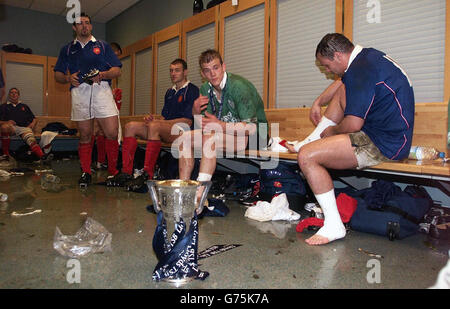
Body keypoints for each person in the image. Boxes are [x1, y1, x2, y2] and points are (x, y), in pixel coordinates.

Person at [285, 33, 415, 245]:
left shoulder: (360, 71)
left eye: (327, 66)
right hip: (387, 135)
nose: (328, 71)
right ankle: (313, 139)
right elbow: (341, 84)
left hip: (385, 144)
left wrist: (332, 132)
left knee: (307, 156)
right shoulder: (366, 58)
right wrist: (319, 101)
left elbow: (353, 125)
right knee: (343, 89)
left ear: (338, 56)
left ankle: (334, 225)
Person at [177, 49, 267, 190]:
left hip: (256, 136)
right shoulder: (206, 89)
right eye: (207, 70)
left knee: (210, 140)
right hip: (225, 134)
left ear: (223, 67)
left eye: (216, 68)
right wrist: (195, 111)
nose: (212, 74)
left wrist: (219, 125)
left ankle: (200, 194)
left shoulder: (239, 86)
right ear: (202, 74)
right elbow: (204, 127)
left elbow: (252, 128)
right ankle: (182, 191)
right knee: (184, 138)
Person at [107, 58, 199, 188]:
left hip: (183, 131)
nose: (173, 73)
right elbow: (164, 117)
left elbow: (188, 120)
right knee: (130, 127)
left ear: (185, 72)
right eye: (171, 71)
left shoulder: (192, 90)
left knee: (155, 126)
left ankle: (147, 174)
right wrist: (154, 121)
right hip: (167, 129)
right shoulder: (170, 92)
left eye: (177, 70)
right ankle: (127, 172)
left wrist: (158, 123)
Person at [54, 13, 122, 187]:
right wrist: (68, 78)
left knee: (112, 132)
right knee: (85, 135)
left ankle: (113, 172)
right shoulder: (67, 49)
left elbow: (117, 70)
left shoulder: (103, 46)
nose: (84, 26)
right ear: (74, 28)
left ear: (91, 26)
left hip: (102, 91)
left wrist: (104, 74)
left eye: (87, 23)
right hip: (80, 93)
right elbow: (58, 74)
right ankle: (85, 172)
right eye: (80, 23)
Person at [94, 42, 123, 170]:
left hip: (103, 92)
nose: (116, 60)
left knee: (105, 130)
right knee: (94, 129)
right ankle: (92, 165)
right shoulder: (96, 58)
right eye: (115, 56)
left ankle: (106, 164)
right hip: (90, 94)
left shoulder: (111, 67)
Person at [0, 88, 45, 161]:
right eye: (12, 93)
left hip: (23, 128)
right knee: (4, 127)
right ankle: (6, 154)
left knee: (31, 140)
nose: (14, 94)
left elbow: (34, 118)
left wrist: (32, 124)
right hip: (11, 128)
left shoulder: (24, 106)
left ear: (18, 95)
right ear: (9, 95)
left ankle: (42, 157)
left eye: (16, 93)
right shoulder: (3, 106)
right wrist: (6, 122)